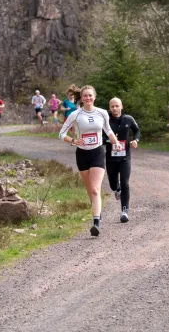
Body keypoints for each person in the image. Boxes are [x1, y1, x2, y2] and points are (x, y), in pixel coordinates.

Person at [58, 85, 122, 237]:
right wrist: (74, 141)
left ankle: (96, 223)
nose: (88, 98)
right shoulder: (75, 114)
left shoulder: (102, 113)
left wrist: (116, 142)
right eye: (85, 96)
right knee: (89, 191)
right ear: (81, 98)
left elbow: (108, 130)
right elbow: (61, 134)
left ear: (95, 97)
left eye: (90, 96)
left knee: (95, 189)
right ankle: (97, 211)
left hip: (98, 152)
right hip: (82, 154)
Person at [103, 98, 140, 223]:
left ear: (121, 106)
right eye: (112, 106)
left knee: (125, 182)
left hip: (125, 157)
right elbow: (101, 137)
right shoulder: (105, 120)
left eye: (117, 106)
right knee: (113, 185)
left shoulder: (128, 119)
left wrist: (136, 140)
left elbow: (137, 130)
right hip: (111, 157)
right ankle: (116, 189)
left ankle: (125, 211)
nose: (114, 108)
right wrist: (112, 141)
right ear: (109, 107)